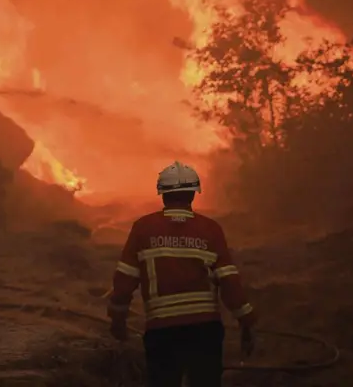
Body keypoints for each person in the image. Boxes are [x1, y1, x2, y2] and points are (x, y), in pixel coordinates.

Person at [107, 161, 257, 387]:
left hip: (162, 332)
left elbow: (124, 281)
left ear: (162, 194)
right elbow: (229, 282)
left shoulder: (143, 228)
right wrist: (246, 321)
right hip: (205, 331)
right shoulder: (210, 229)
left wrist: (118, 320)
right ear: (193, 194)